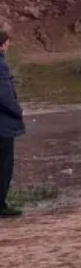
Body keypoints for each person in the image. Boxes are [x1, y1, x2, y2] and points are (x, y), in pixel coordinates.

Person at [0, 30, 23, 218]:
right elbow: (4, 95)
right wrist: (18, 111)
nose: (8, 46)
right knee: (4, 166)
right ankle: (1, 205)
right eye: (7, 43)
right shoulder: (1, 66)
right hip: (3, 125)